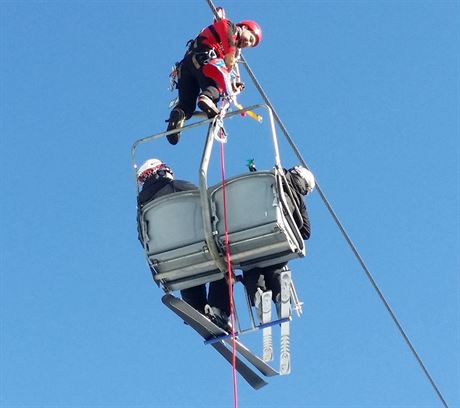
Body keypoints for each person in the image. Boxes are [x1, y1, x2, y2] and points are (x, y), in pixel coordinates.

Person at [208, 165, 316, 325]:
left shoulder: (266, 178)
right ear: (305, 186)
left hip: (246, 237)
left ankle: (258, 294)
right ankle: (280, 296)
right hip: (276, 237)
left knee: (251, 266)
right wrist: (299, 207)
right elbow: (306, 232)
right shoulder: (296, 195)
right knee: (275, 264)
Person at [136, 158, 229, 320]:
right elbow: (206, 204)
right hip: (199, 250)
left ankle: (196, 308)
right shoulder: (178, 187)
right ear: (162, 171)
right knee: (224, 263)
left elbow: (143, 239)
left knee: (185, 272)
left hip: (167, 263)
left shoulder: (143, 212)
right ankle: (218, 309)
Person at [166, 18, 262, 145]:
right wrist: (230, 54)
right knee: (214, 89)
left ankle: (178, 116)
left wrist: (232, 86)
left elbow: (226, 72)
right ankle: (207, 98)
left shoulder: (231, 49)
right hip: (204, 60)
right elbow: (224, 26)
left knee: (187, 105)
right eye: (250, 38)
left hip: (187, 68)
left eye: (250, 44)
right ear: (244, 28)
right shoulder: (231, 28)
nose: (247, 43)